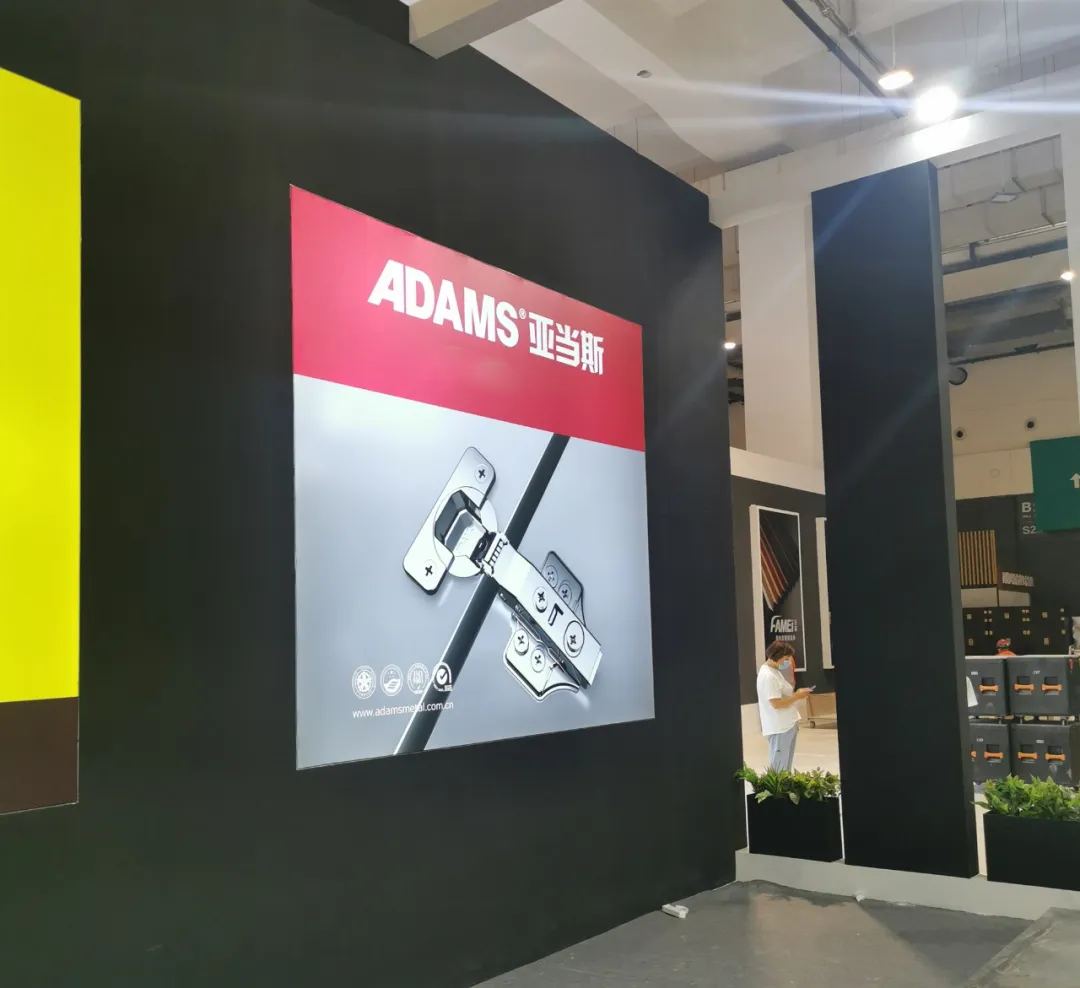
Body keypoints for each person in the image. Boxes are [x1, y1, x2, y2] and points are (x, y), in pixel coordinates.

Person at [756, 641, 812, 772]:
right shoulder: (769, 676)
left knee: (785, 767)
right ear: (778, 655)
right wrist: (797, 696)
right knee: (779, 769)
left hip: (787, 725)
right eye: (786, 658)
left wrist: (797, 694)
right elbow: (776, 703)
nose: (788, 662)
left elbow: (782, 695)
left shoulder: (774, 671)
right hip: (780, 727)